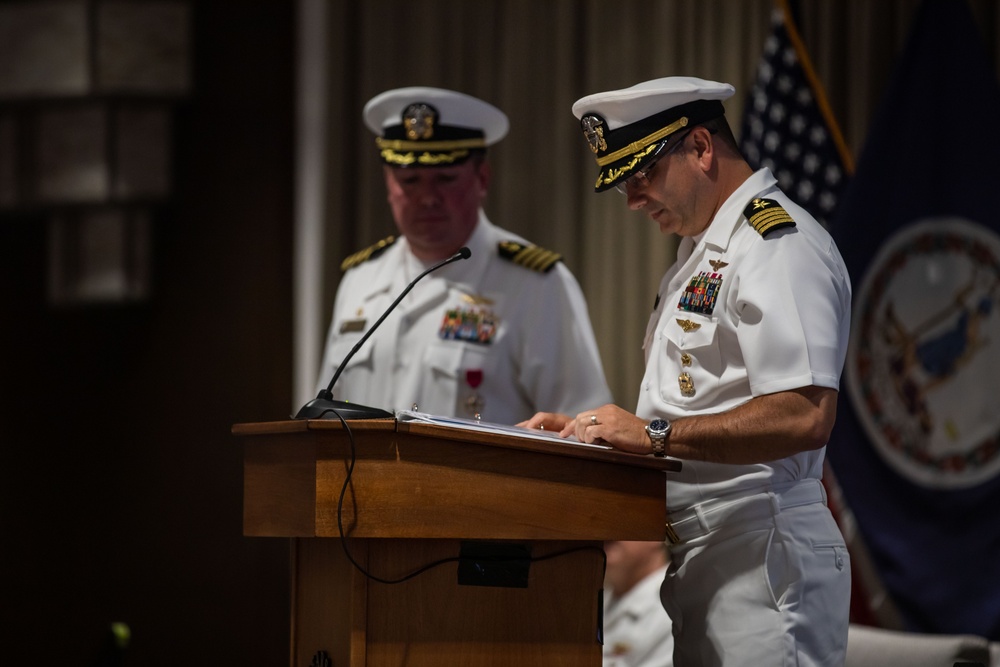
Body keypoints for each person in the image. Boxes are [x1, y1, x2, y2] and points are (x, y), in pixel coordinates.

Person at [522, 76, 853, 666]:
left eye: (641, 176)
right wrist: (589, 437)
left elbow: (806, 414)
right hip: (709, 555)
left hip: (764, 556)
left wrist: (651, 438)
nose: (631, 199)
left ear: (701, 146)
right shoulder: (700, 257)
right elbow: (696, 405)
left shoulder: (776, 244)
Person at [316, 86, 612, 424]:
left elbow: (580, 423)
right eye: (410, 180)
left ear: (482, 178)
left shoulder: (536, 284)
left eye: (445, 178)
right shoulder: (360, 279)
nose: (427, 197)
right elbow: (325, 412)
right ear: (388, 182)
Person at [603, 540, 674, 667]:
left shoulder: (674, 607)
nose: (607, 532)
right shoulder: (597, 601)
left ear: (656, 537)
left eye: (621, 522)